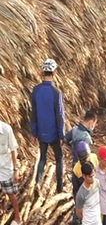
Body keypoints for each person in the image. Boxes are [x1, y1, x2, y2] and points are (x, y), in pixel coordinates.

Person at [31, 58, 65, 193]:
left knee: (42, 158)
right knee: (59, 159)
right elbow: (60, 115)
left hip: (41, 131)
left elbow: (33, 112)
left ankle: (38, 182)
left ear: (42, 73)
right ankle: (60, 188)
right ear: (54, 73)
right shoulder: (56, 92)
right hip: (54, 133)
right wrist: (61, 134)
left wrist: (34, 132)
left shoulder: (36, 90)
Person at [0, 120, 21, 225]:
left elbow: (14, 150)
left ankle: (18, 217)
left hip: (5, 168)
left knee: (11, 193)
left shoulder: (6, 129)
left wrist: (15, 170)